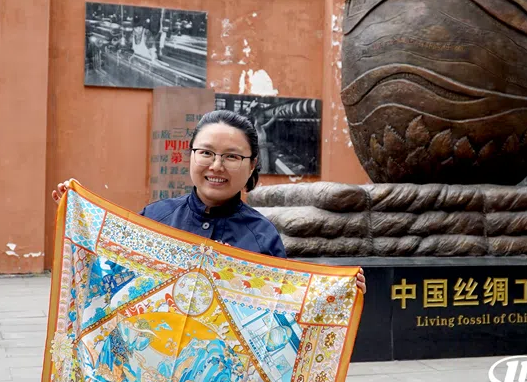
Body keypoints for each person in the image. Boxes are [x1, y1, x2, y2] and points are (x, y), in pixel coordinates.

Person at [52, 110, 366, 294]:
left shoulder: (262, 236)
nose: (216, 166)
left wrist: (337, 290)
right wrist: (76, 216)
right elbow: (110, 273)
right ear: (191, 155)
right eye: (206, 153)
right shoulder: (154, 218)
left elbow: (283, 307)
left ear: (252, 165)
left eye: (231, 157)